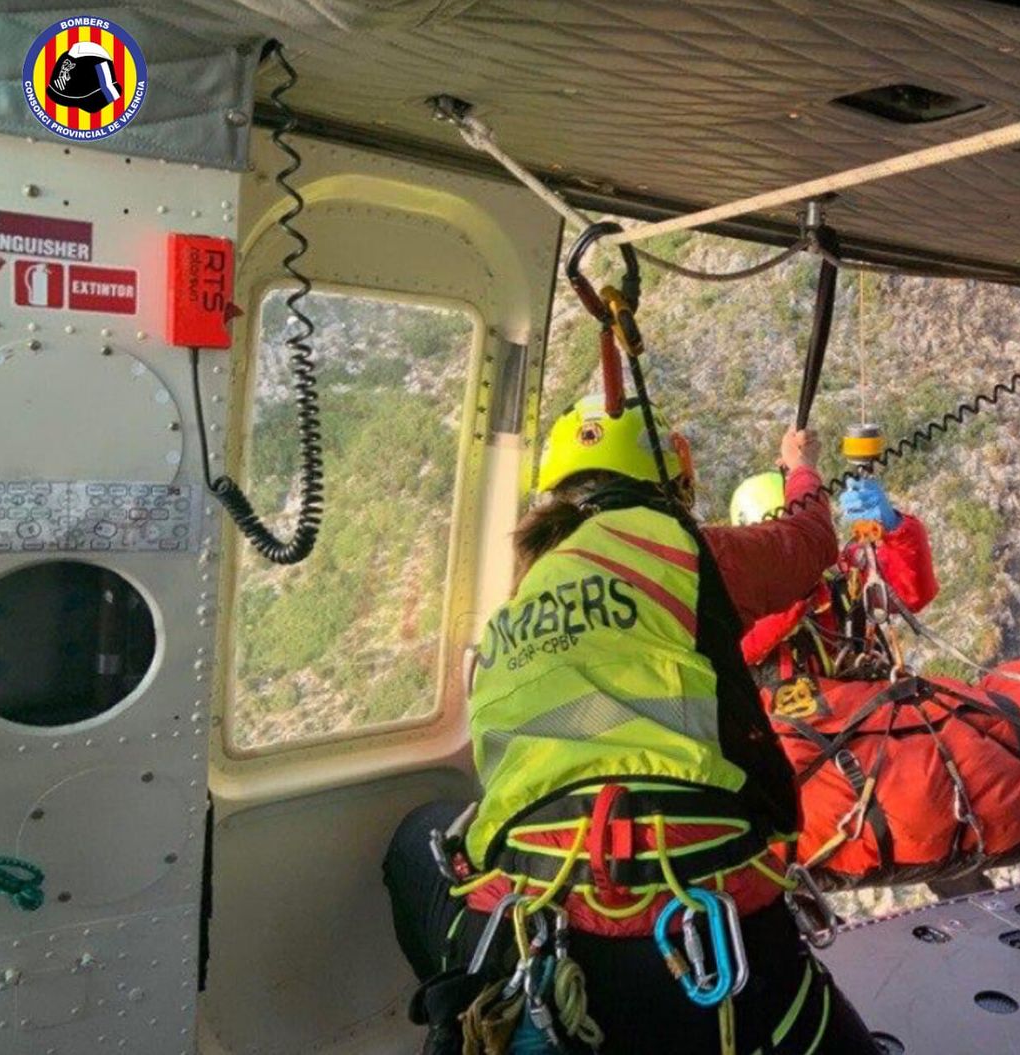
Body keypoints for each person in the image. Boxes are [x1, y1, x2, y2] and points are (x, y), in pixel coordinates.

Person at [382, 395, 879, 1054]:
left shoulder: (516, 599)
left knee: (414, 842)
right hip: (713, 928)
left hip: (536, 931)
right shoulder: (683, 550)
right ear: (665, 487)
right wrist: (801, 469)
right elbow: (809, 544)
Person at [732, 471, 938, 682]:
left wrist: (895, 530)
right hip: (801, 710)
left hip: (870, 700)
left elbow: (911, 593)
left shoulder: (840, 577)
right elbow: (737, 648)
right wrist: (800, 591)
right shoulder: (739, 608)